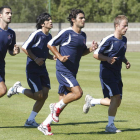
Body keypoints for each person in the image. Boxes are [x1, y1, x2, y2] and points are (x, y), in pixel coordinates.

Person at [37, 9, 98, 135]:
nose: (83, 20)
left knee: (62, 103)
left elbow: (80, 53)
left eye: (84, 17)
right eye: (81, 18)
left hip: (72, 71)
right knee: (78, 93)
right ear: (73, 20)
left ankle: (45, 124)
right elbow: (50, 44)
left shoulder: (83, 35)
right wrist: (59, 56)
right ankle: (53, 108)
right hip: (63, 70)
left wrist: (91, 49)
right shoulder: (66, 33)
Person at [83, 15, 131, 133]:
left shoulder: (124, 40)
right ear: (117, 26)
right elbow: (96, 54)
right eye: (124, 26)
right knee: (115, 98)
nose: (126, 28)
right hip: (106, 73)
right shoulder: (108, 39)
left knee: (116, 102)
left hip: (117, 73)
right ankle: (110, 126)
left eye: (127, 26)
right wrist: (107, 59)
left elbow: (120, 54)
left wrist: (126, 61)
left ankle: (91, 101)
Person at [7, 12, 55, 128]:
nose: (51, 21)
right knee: (39, 96)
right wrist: (36, 59)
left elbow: (45, 52)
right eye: (48, 20)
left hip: (42, 69)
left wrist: (52, 57)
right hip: (32, 69)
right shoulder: (36, 34)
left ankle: (30, 120)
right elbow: (24, 47)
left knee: (45, 94)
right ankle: (18, 89)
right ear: (43, 23)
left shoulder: (49, 36)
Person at [0, 6, 20, 98]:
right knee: (2, 90)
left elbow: (11, 51)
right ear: (0, 15)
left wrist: (14, 52)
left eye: (11, 13)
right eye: (7, 13)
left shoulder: (11, 33)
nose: (10, 15)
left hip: (1, 65)